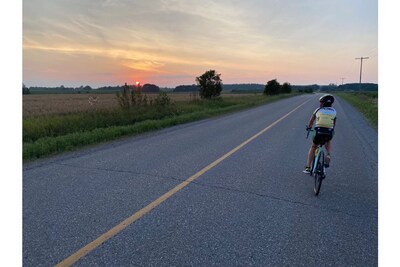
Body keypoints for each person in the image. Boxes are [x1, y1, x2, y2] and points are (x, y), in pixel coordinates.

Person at [303, 94, 337, 174]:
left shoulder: (318, 110)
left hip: (318, 131)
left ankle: (308, 167)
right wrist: (331, 130)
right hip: (329, 131)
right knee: (328, 140)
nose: (320, 104)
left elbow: (311, 121)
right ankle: (328, 155)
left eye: (321, 102)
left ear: (323, 103)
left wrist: (309, 127)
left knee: (313, 146)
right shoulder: (334, 111)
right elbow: (334, 123)